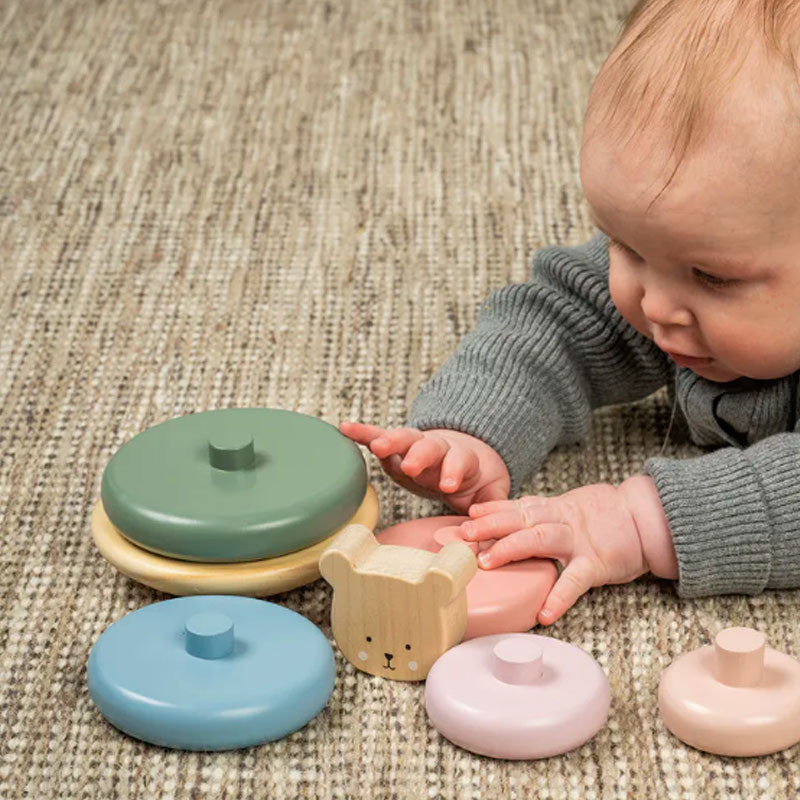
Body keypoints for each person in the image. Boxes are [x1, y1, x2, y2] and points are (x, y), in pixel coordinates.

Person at [340, 0, 800, 625]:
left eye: (713, 277)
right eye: (627, 246)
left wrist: (638, 521)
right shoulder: (681, 262)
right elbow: (553, 323)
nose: (655, 305)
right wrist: (475, 432)